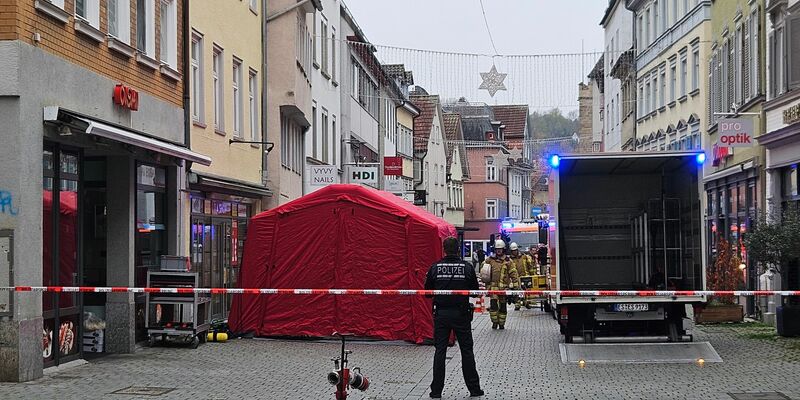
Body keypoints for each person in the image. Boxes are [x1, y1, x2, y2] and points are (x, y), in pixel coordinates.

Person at [424, 237, 484, 398]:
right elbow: (475, 291)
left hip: (441, 315)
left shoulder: (435, 268)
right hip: (461, 315)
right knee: (466, 351)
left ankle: (436, 391)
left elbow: (427, 292)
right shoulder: (467, 268)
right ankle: (474, 389)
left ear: (444, 250)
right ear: (458, 249)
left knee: (440, 352)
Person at [482, 240, 519, 329]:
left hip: (504, 288)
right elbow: (484, 271)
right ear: (495, 249)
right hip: (493, 287)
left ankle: (502, 323)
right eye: (497, 249)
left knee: (503, 306)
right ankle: (494, 322)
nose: (499, 251)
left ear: (503, 249)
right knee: (493, 306)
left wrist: (516, 287)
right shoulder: (490, 260)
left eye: (500, 249)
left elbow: (513, 273)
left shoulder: (508, 261)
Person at [508, 242, 532, 310]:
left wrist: (532, 274)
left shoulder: (524, 256)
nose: (514, 252)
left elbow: (529, 265)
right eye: (513, 251)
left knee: (526, 290)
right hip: (515, 278)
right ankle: (517, 303)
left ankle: (526, 302)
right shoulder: (510, 259)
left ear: (517, 250)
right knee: (516, 290)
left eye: (515, 250)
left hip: (525, 276)